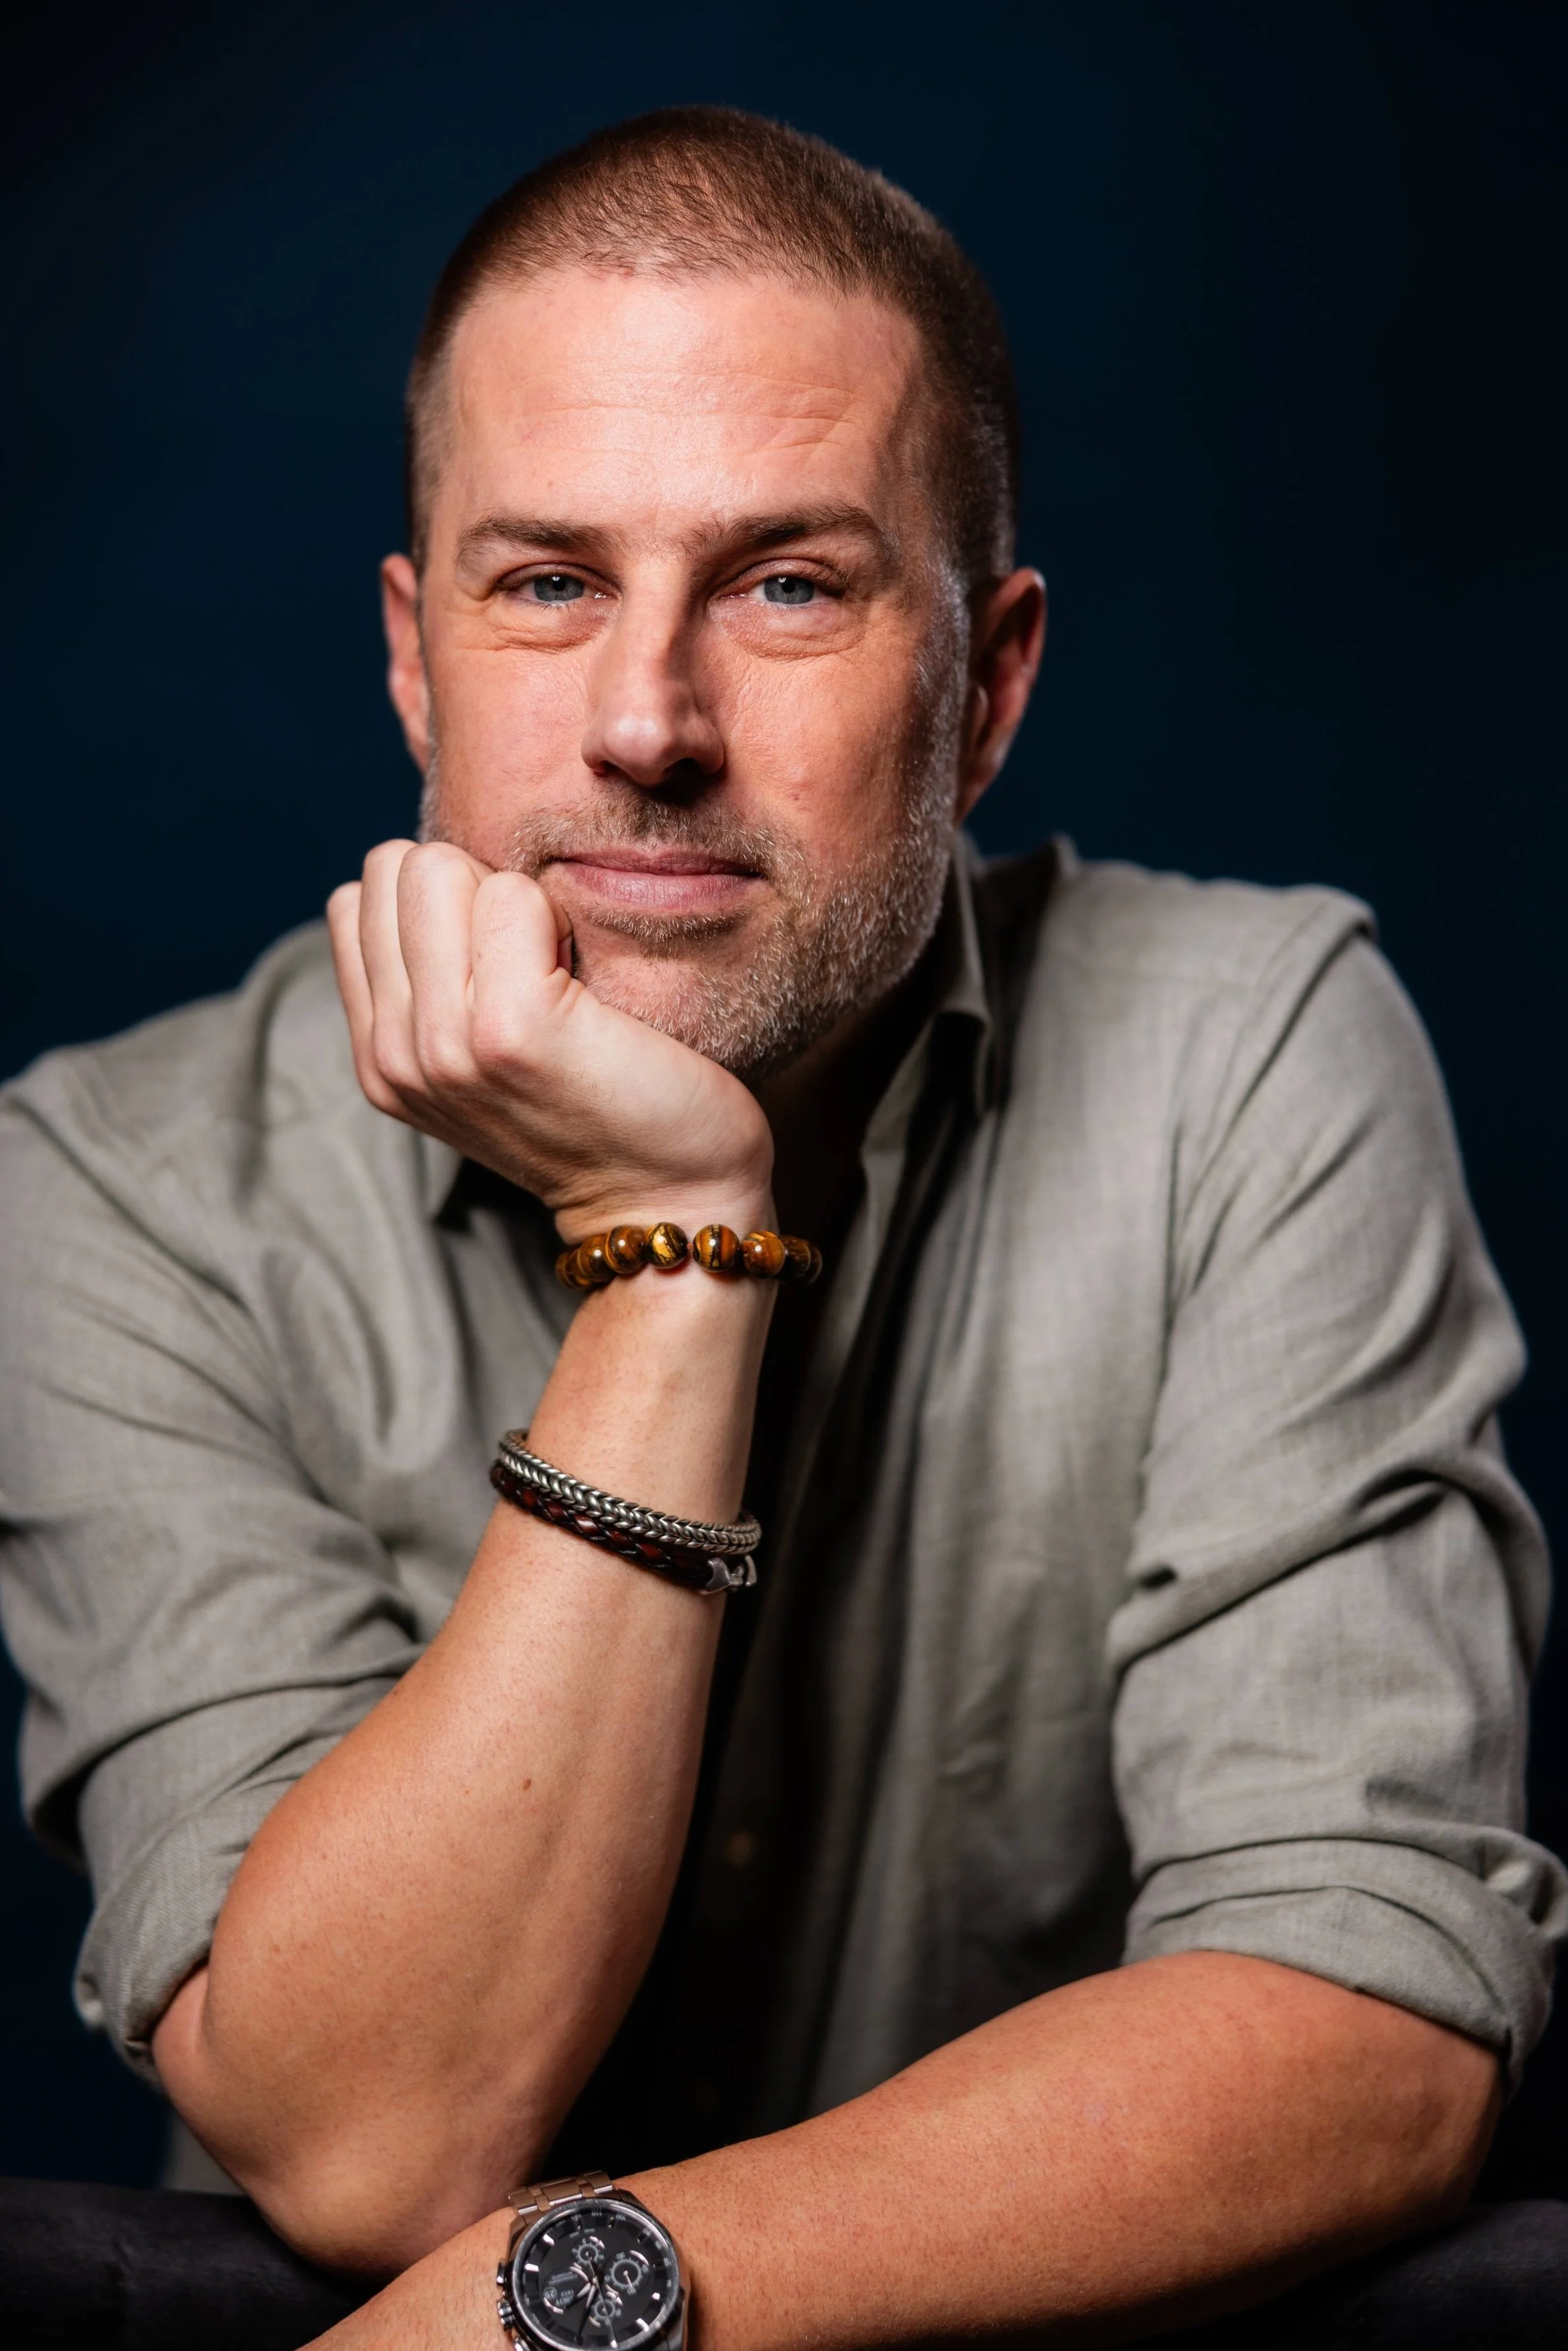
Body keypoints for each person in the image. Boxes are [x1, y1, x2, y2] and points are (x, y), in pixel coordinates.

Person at [1, 106, 1562, 2351]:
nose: (647, 724)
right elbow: (375, 2133)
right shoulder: (114, 1181)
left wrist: (569, 2314)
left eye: (788, 585)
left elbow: (1366, 2019)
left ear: (991, 685)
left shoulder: (1253, 1050)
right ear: (416, 659)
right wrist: (671, 1229)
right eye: (546, 583)